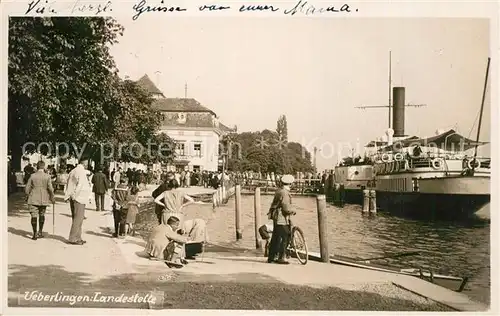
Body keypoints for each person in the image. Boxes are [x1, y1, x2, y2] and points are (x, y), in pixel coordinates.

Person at [266, 174, 296, 264]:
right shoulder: (285, 193)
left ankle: (271, 257)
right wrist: (293, 211)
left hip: (276, 216)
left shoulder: (279, 191)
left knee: (276, 237)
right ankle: (281, 257)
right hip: (281, 217)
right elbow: (286, 207)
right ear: (290, 184)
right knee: (286, 235)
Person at [25, 161, 55, 240]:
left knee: (34, 215)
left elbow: (27, 188)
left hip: (33, 197)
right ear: (44, 167)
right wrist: (52, 197)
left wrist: (27, 194)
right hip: (43, 198)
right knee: (42, 214)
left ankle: (34, 233)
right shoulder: (47, 176)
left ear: (37, 167)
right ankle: (40, 232)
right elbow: (50, 189)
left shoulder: (32, 176)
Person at [64, 158, 91, 245]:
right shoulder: (81, 172)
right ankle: (73, 238)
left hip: (74, 197)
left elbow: (69, 183)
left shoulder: (73, 171)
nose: (87, 165)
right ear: (84, 163)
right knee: (78, 219)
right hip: (79, 198)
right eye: (86, 163)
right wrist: (76, 195)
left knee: (77, 218)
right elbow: (80, 185)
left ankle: (78, 237)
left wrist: (69, 195)